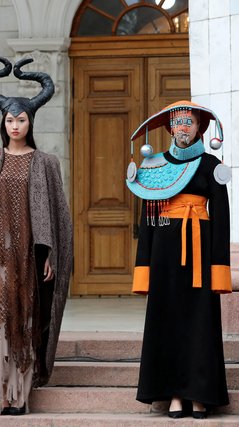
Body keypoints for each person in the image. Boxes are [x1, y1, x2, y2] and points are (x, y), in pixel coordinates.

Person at [0, 58, 73, 416]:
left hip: (29, 255)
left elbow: (58, 217)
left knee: (26, 319)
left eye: (21, 119)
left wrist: (51, 255)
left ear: (31, 122)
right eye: (10, 119)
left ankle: (21, 396)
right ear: (3, 123)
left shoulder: (45, 162)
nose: (15, 125)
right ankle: (0, 394)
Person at [126, 101, 231, 419]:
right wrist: (143, 270)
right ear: (169, 128)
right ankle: (173, 393)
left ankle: (199, 395)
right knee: (167, 324)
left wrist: (219, 270)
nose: (183, 128)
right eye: (178, 122)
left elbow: (222, 220)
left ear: (200, 128)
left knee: (200, 326)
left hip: (200, 259)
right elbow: (147, 223)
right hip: (164, 261)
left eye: (189, 122)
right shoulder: (154, 168)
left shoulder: (211, 165)